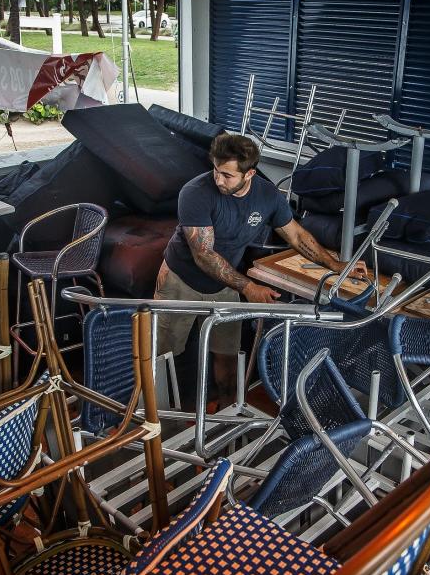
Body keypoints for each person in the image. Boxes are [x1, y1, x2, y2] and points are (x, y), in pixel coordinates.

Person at [156, 134, 367, 410]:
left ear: (250, 173)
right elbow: (204, 255)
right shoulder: (195, 192)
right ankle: (155, 421)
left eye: (228, 176)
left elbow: (296, 236)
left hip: (225, 283)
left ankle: (227, 416)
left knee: (227, 359)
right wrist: (249, 288)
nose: (219, 180)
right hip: (180, 281)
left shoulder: (267, 195)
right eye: (216, 171)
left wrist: (336, 265)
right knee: (162, 358)